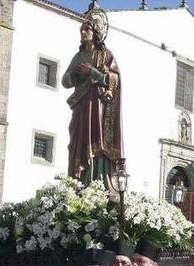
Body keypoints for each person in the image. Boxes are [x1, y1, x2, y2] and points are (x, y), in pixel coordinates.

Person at [62, 10, 123, 185]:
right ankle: (76, 179)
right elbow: (65, 82)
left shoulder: (106, 55)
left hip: (97, 105)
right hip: (81, 105)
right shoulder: (78, 56)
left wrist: (93, 72)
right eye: (81, 29)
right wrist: (72, 74)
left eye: (86, 29)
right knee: (77, 138)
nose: (82, 32)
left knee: (97, 138)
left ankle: (96, 180)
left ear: (95, 32)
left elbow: (114, 80)